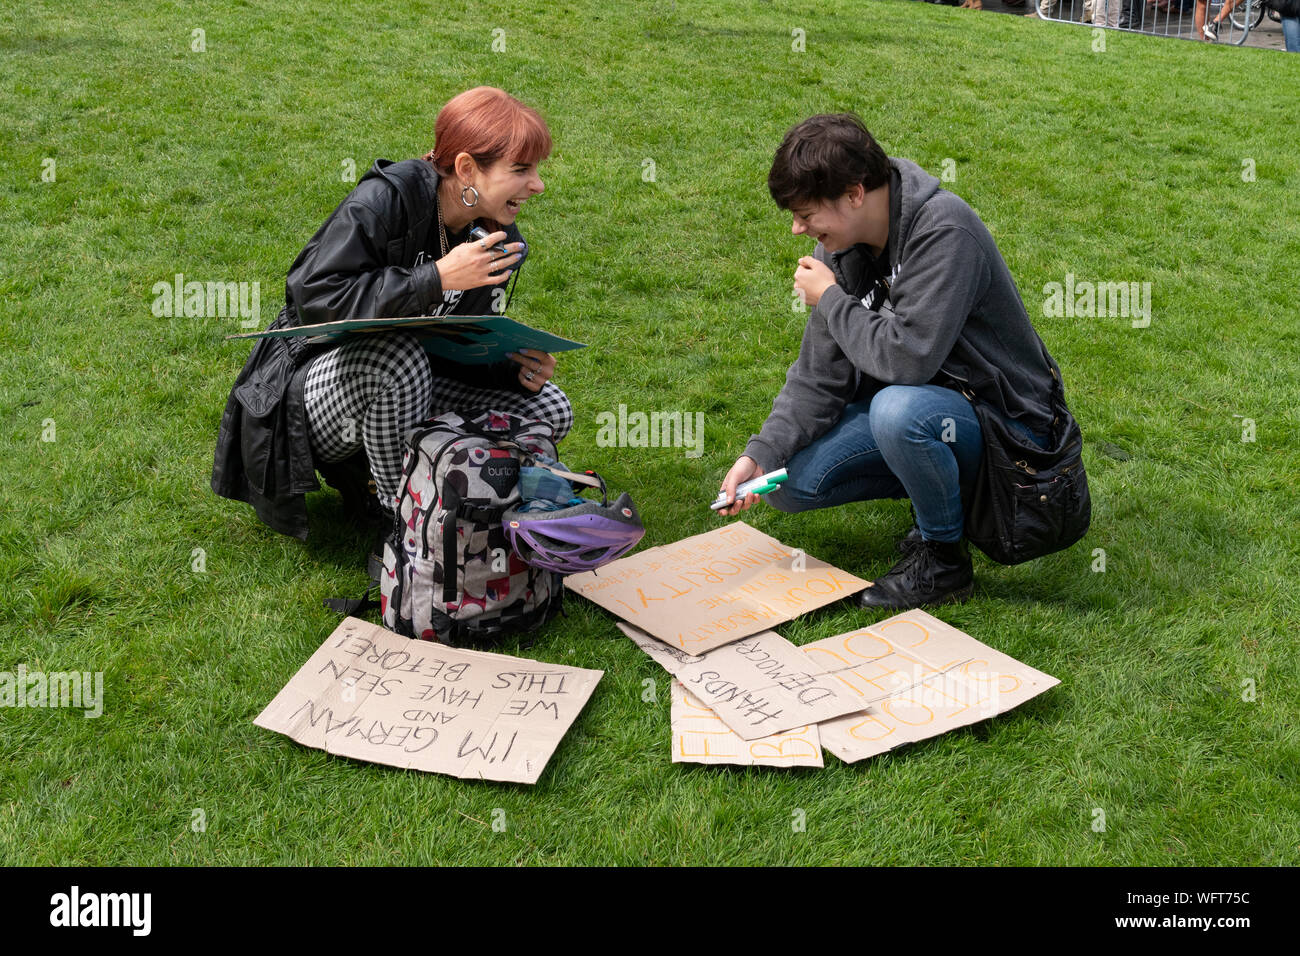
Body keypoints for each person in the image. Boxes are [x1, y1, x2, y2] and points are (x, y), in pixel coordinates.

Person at [718, 114, 1071, 611]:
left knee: (897, 411)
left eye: (806, 213)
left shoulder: (945, 230)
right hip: (936, 411)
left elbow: (908, 360)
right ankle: (938, 489)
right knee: (788, 482)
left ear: (855, 193)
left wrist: (833, 300)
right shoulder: (838, 250)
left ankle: (944, 560)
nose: (798, 229)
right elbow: (818, 378)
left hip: (1009, 426)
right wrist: (758, 455)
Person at [212, 87, 570, 542]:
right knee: (395, 358)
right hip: (312, 395)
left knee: (550, 407)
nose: (537, 184)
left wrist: (511, 370)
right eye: (521, 169)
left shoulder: (492, 233)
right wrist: (435, 278)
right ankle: (404, 523)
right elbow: (313, 298)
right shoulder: (385, 200)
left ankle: (467, 494)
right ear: (466, 169)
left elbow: (455, 341)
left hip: (409, 387)